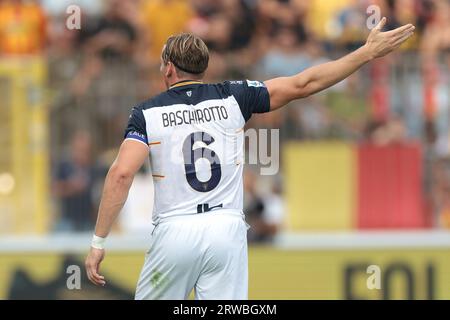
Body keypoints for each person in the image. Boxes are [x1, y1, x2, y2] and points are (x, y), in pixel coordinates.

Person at [85, 18, 415, 299]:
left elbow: (121, 175)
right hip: (227, 229)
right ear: (204, 67)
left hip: (176, 229)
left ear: (168, 68)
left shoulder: (148, 112)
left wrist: (99, 241)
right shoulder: (234, 96)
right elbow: (305, 83)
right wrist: (366, 52)